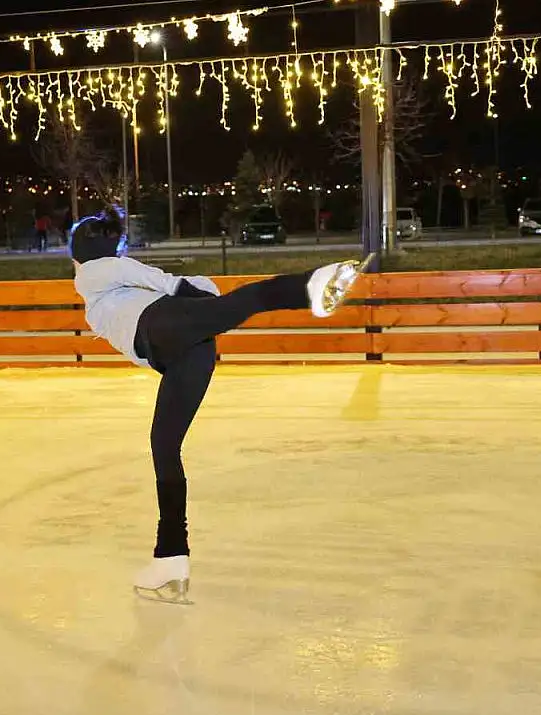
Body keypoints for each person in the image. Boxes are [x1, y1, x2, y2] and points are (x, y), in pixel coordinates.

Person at [70, 204, 372, 604]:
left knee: (239, 305)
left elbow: (159, 280)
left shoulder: (94, 271)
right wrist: (200, 296)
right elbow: (173, 284)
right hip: (184, 350)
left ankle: (311, 285)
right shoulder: (105, 285)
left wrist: (190, 293)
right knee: (164, 446)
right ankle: (170, 558)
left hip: (164, 327)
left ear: (78, 254)